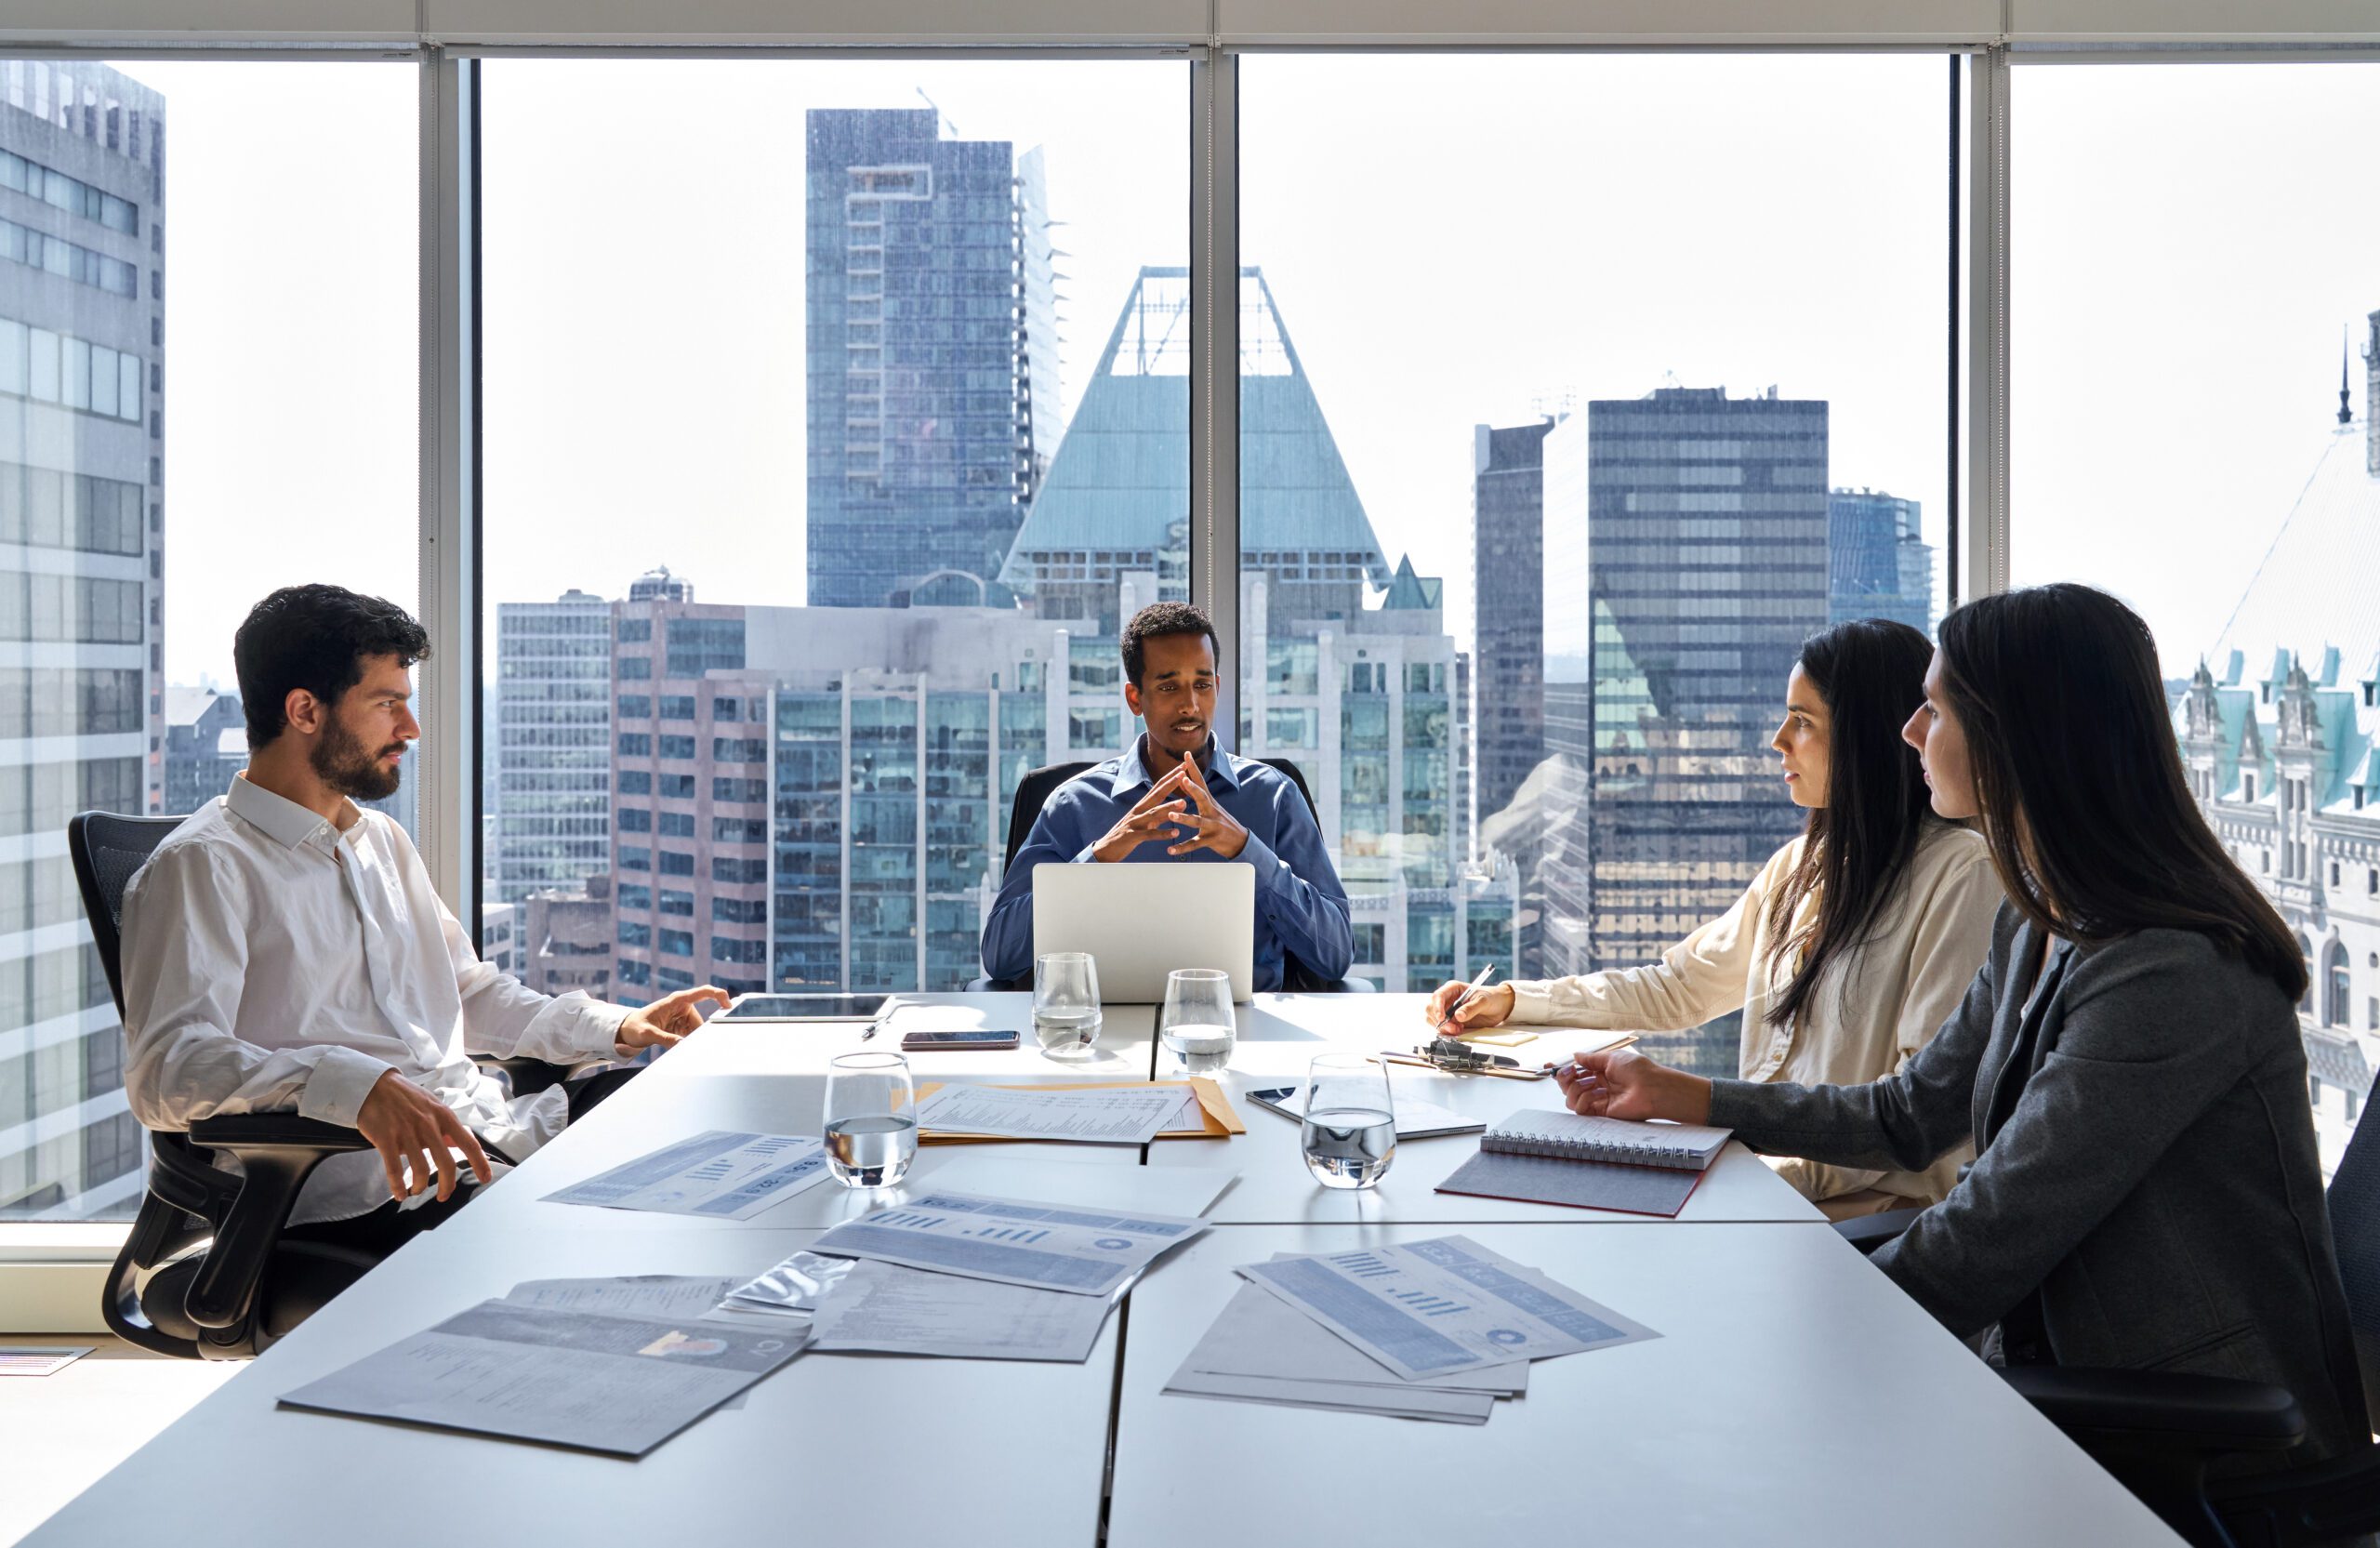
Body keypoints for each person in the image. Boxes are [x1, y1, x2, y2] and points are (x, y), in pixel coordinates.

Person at [1554, 583, 2367, 1467]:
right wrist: (1690, 1094)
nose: (1908, 733)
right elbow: (1907, 1114)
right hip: (2054, 1383)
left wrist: (1734, 1316)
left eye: (1933, 708)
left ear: (2016, 738)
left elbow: (1984, 1238)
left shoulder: (2170, 971)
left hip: (2190, 1445)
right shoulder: (2039, 922)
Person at [121, 584, 728, 1251]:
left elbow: (465, 993)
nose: (410, 729)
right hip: (370, 1190)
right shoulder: (202, 866)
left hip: (489, 1136)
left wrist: (617, 1025)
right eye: (388, 705)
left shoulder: (379, 841)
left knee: (693, 1110)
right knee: (652, 1232)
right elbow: (169, 1069)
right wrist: (350, 1084)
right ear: (304, 710)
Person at [1426, 618, 2003, 1218]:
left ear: (1866, 738)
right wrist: (1517, 1000)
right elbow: (1680, 986)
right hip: (1760, 1188)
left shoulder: (1962, 876)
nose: (1779, 739)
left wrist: (1701, 1132)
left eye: (1803, 722)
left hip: (1862, 1220)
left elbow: (1909, 1117)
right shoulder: (1803, 865)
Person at [980, 601, 1353, 991]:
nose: (1190, 705)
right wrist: (1100, 855)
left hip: (1244, 1031)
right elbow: (1001, 958)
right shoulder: (1073, 804)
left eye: (1202, 685)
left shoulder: (1274, 796)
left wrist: (1247, 849)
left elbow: (1335, 955)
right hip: (1105, 1033)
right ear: (1135, 698)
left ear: (1217, 688)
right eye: (1169, 686)